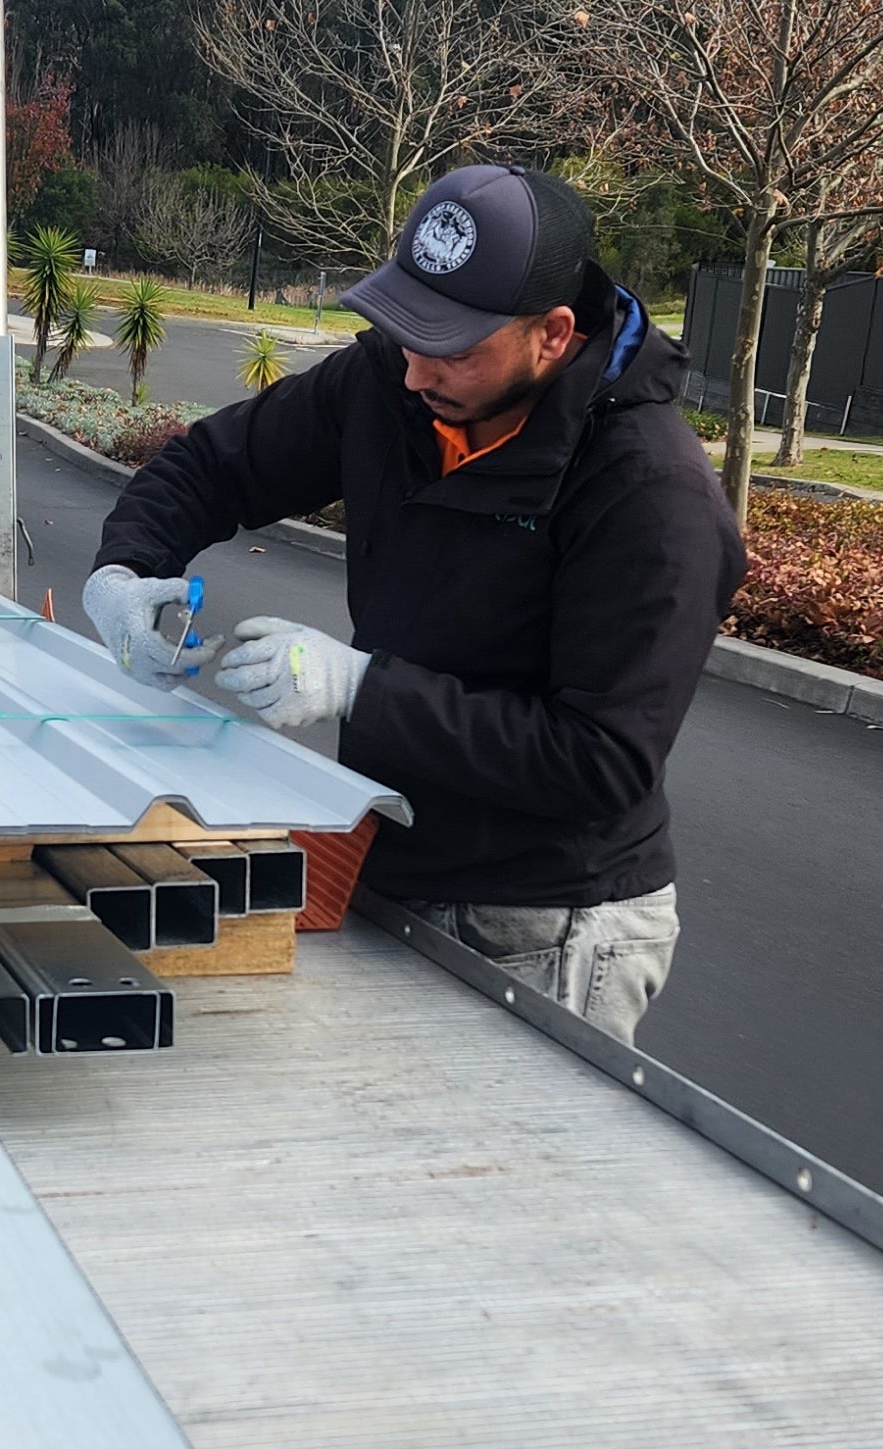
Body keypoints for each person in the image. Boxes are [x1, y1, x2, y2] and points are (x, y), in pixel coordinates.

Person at [82, 162, 745, 1043]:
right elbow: (216, 465)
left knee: (499, 1174)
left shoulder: (649, 492)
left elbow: (601, 761)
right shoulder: (389, 383)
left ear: (553, 335)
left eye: (455, 346)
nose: (414, 370)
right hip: (392, 854)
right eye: (406, 330)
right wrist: (123, 576)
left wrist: (360, 689)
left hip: (546, 921)